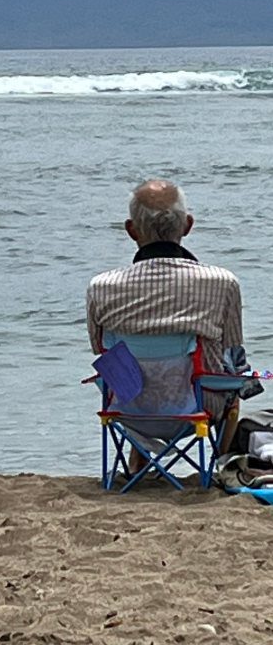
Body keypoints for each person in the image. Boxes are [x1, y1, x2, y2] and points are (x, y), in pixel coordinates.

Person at [86, 178, 245, 472]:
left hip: (126, 409)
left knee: (126, 368)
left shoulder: (101, 287)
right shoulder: (222, 283)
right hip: (197, 407)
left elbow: (101, 350)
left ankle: (138, 464)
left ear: (131, 231)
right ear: (187, 225)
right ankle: (222, 467)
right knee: (236, 380)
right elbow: (232, 350)